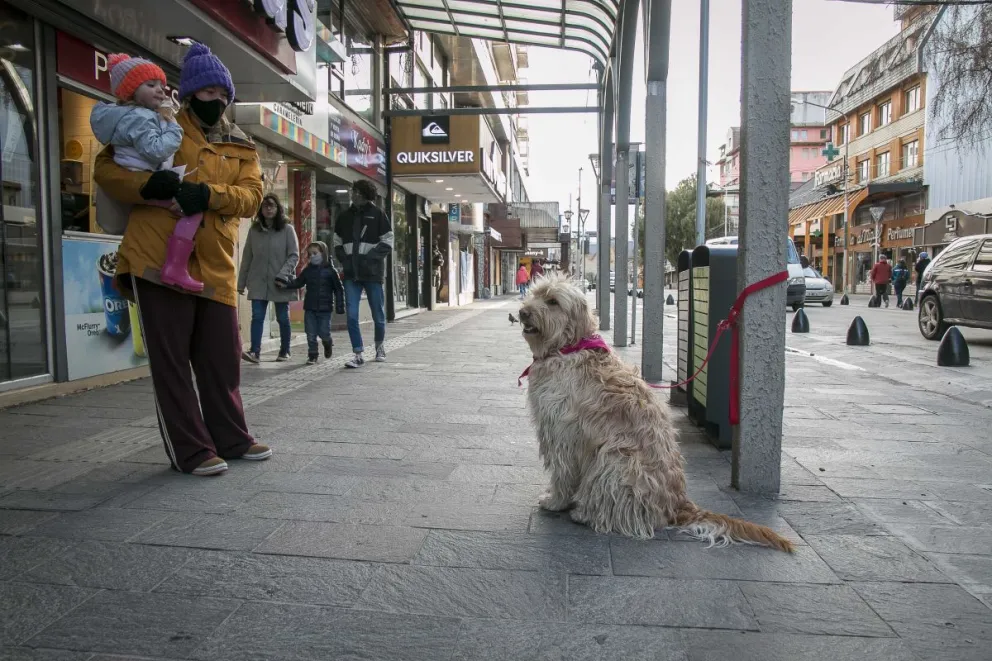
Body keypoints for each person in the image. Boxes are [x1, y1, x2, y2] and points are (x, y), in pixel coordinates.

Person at [93, 42, 269, 476]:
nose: (217, 101)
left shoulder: (242, 144)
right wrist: (147, 187)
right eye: (208, 93)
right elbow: (108, 170)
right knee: (171, 361)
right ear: (189, 94)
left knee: (221, 358)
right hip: (156, 256)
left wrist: (208, 194)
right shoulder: (156, 122)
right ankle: (191, 450)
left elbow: (252, 197)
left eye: (223, 94)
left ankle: (232, 437)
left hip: (215, 261)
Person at [89, 53, 204, 293]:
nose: (160, 91)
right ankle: (176, 266)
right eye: (151, 85)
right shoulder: (140, 118)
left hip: (141, 181)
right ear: (131, 92)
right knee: (192, 212)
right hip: (144, 181)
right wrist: (173, 126)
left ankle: (174, 266)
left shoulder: (132, 116)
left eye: (161, 85)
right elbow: (156, 150)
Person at [333, 180, 393, 368]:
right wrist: (345, 260)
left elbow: (388, 242)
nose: (354, 194)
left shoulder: (378, 214)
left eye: (358, 192)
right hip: (351, 273)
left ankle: (379, 346)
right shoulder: (344, 216)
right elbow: (336, 241)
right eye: (354, 191)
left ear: (366, 194)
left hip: (372, 273)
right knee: (351, 315)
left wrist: (369, 259)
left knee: (378, 313)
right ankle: (358, 353)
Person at [237, 194, 299, 364]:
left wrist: (283, 274)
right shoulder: (254, 231)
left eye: (272, 206)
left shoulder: (287, 229)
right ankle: (255, 352)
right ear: (261, 210)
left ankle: (285, 350)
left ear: (278, 209)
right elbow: (247, 257)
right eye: (265, 206)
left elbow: (294, 255)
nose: (269, 209)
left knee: (282, 317)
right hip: (258, 280)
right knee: (257, 316)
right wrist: (241, 283)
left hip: (279, 281)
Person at [279, 241, 344, 365]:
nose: (312, 256)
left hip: (325, 309)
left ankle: (327, 342)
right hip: (310, 308)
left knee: (324, 332)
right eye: (310, 254)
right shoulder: (308, 271)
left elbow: (339, 289)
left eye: (315, 253)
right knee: (310, 333)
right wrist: (285, 284)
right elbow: (298, 282)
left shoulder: (331, 271)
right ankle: (312, 355)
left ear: (323, 253)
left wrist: (340, 306)